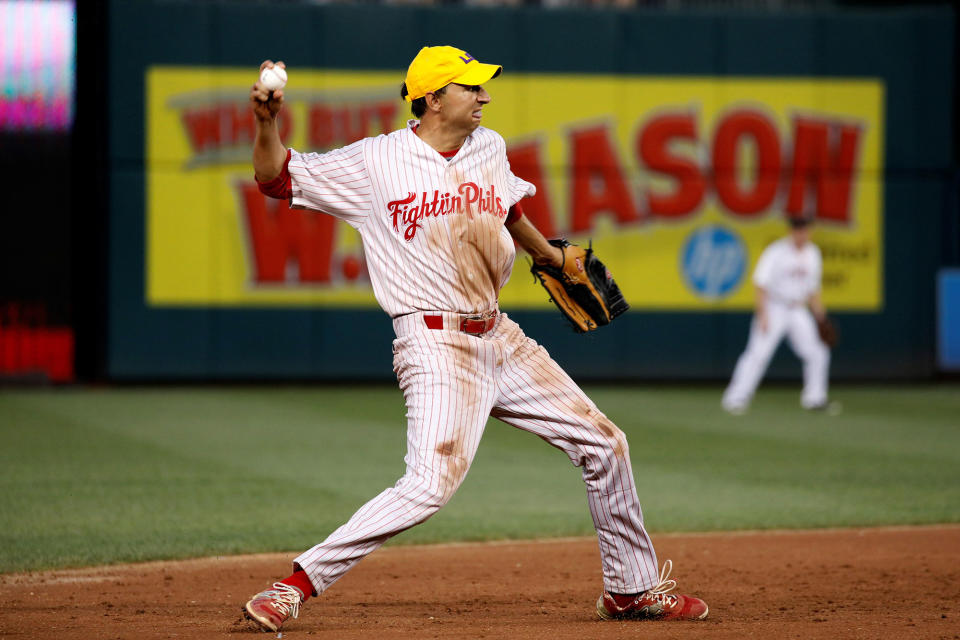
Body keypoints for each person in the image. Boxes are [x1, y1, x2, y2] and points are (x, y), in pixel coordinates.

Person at [243, 45, 708, 632]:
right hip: (434, 344)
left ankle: (631, 591)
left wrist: (548, 256)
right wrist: (266, 122)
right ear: (433, 98)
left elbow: (507, 208)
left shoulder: (489, 146)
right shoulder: (375, 162)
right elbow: (274, 176)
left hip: (501, 336)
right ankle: (294, 585)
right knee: (428, 485)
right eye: (471, 87)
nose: (484, 95)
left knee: (606, 444)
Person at [722, 215, 838, 415]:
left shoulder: (813, 253)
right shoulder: (776, 251)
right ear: (791, 230)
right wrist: (763, 315)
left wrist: (820, 315)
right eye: (797, 229)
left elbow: (813, 289)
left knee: (818, 352)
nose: (801, 233)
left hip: (798, 309)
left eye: (805, 229)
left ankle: (815, 398)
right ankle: (736, 397)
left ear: (810, 231)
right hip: (775, 307)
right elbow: (760, 283)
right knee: (758, 353)